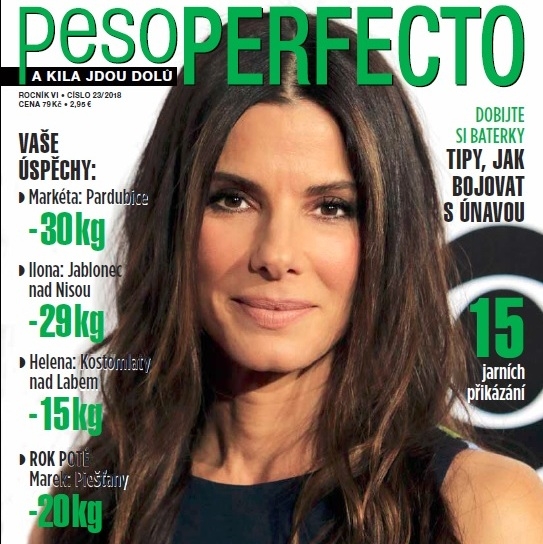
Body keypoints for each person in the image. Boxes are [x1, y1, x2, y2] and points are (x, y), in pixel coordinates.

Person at [32, 12, 542, 544]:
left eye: (332, 207)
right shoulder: (89, 504)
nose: (275, 255)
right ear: (173, 220)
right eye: (232, 199)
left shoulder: (481, 509)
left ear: (390, 238)